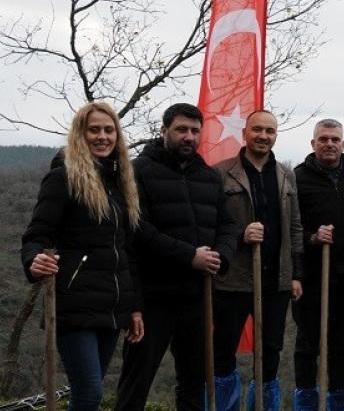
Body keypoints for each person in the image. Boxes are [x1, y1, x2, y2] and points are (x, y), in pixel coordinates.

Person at [115, 103, 238, 411]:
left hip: (198, 297)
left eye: (195, 131)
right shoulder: (138, 171)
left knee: (194, 383)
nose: (189, 137)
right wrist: (188, 257)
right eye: (181, 129)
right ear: (164, 130)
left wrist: (221, 256)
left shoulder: (209, 177)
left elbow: (227, 225)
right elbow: (137, 228)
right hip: (153, 297)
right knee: (136, 382)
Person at [21, 102, 144, 411]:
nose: (102, 136)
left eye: (108, 129)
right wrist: (34, 259)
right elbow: (36, 235)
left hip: (112, 308)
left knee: (89, 392)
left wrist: (135, 307)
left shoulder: (121, 184)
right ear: (80, 134)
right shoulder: (63, 178)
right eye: (94, 130)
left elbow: (127, 252)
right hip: (74, 303)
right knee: (89, 393)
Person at [212, 110, 305, 411]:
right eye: (257, 130)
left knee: (270, 351)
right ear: (245, 133)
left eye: (270, 131)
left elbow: (295, 227)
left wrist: (296, 274)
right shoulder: (221, 173)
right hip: (233, 278)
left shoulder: (285, 175)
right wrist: (240, 234)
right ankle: (223, 405)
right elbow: (208, 223)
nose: (263, 136)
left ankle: (262, 406)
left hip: (276, 279)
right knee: (223, 348)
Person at [292, 119, 344, 411]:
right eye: (323, 139)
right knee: (307, 343)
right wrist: (312, 237)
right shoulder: (297, 178)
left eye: (335, 139)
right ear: (313, 144)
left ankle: (338, 400)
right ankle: (307, 401)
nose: (329, 144)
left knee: (341, 343)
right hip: (311, 276)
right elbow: (291, 228)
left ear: (343, 144)